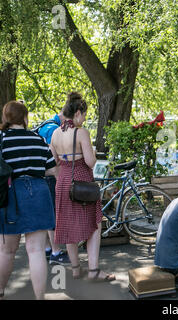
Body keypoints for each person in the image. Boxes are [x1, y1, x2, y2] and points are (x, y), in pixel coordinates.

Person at [50, 92, 115, 282]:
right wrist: (92, 151)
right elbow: (91, 161)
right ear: (78, 113)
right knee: (94, 225)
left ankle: (76, 269)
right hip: (81, 182)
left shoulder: (54, 133)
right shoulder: (81, 133)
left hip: (62, 183)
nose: (85, 118)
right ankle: (94, 271)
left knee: (69, 225)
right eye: (85, 114)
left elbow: (54, 161)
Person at [0, 101, 57, 300]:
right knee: (36, 251)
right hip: (39, 192)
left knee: (7, 251)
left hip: (10, 195)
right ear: (25, 118)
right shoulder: (38, 138)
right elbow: (51, 169)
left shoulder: (1, 139)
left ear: (6, 118)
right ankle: (40, 297)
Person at [35, 111, 70, 265]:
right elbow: (53, 158)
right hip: (48, 176)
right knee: (52, 214)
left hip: (38, 176)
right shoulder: (53, 129)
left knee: (44, 213)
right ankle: (56, 252)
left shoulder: (45, 124)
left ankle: (48, 249)